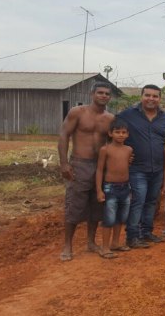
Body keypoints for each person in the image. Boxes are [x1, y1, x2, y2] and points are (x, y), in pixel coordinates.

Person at [58, 82, 115, 261]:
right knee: (74, 205)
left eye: (107, 94)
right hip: (80, 163)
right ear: (92, 94)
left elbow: (115, 140)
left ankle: (91, 242)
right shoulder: (78, 112)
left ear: (110, 97)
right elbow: (64, 135)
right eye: (100, 92)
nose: (103, 96)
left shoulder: (110, 119)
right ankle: (68, 245)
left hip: (100, 166)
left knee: (97, 205)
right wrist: (64, 163)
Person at [117, 84, 165, 249]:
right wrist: (120, 152)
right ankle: (132, 236)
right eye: (148, 95)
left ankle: (146, 233)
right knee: (138, 201)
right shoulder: (127, 115)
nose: (151, 99)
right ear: (141, 96)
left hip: (157, 168)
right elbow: (113, 132)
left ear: (159, 99)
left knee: (151, 202)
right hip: (137, 168)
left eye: (155, 96)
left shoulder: (164, 118)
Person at [95, 118, 133, 259]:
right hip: (110, 188)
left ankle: (115, 243)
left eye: (124, 132)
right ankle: (104, 248)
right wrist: (99, 190)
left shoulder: (129, 150)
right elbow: (99, 170)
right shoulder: (105, 149)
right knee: (109, 219)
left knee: (121, 218)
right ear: (110, 133)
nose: (121, 135)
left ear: (128, 134)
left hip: (125, 187)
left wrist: (130, 190)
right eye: (117, 132)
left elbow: (127, 167)